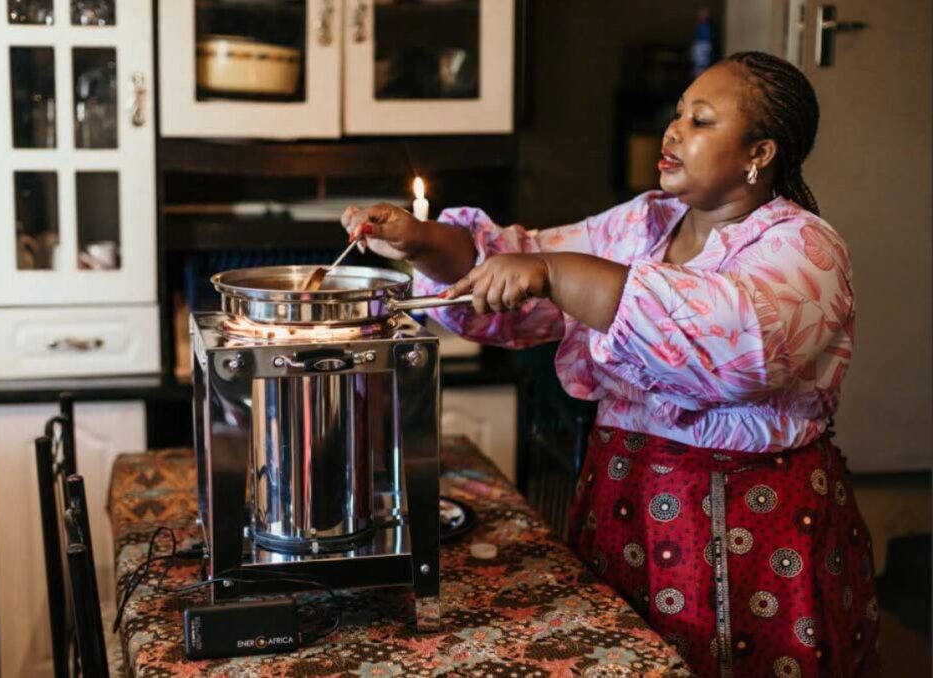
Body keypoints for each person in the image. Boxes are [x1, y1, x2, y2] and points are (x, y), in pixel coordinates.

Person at [342, 52, 878, 678]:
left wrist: (559, 275)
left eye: (701, 121)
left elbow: (737, 347)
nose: (674, 131)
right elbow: (522, 262)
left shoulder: (804, 246)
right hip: (624, 502)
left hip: (753, 528)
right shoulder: (643, 222)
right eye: (677, 114)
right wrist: (423, 241)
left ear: (760, 152)